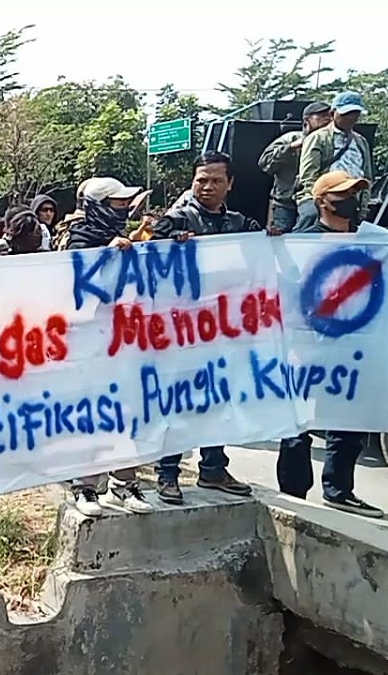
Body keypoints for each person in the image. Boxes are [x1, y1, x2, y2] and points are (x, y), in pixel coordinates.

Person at [272, 171, 388, 518]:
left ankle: (338, 490)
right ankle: (293, 496)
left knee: (350, 420)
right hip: (308, 350)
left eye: (356, 193)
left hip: (353, 348)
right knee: (297, 424)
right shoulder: (300, 243)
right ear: (321, 201)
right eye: (343, 194)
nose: (353, 200)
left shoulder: (374, 241)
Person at [149, 151, 263, 505]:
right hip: (181, 334)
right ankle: (167, 473)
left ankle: (213, 469)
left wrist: (273, 238)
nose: (207, 187)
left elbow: (265, 262)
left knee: (218, 402)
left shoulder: (242, 225)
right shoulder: (174, 222)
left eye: (215, 180)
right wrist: (169, 247)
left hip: (223, 333)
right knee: (179, 404)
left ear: (230, 184)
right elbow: (148, 261)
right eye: (201, 180)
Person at [59, 178, 154, 515]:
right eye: (116, 203)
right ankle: (84, 487)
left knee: (128, 412)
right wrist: (105, 256)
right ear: (97, 206)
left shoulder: (127, 242)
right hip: (88, 346)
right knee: (91, 414)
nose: (124, 209)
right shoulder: (77, 241)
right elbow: (75, 288)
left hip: (124, 341)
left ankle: (124, 483)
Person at [293, 92, 374, 232]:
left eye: (355, 113)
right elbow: (308, 176)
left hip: (352, 195)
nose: (351, 117)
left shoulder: (361, 142)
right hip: (322, 196)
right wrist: (322, 200)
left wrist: (363, 205)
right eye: (346, 113)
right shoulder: (317, 138)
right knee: (310, 220)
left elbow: (366, 174)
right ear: (333, 113)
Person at [258, 101, 331, 233]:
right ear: (307, 120)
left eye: (329, 115)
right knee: (279, 242)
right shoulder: (290, 138)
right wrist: (291, 147)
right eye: (321, 116)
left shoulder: (330, 143)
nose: (327, 119)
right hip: (286, 203)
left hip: (315, 203)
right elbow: (264, 162)